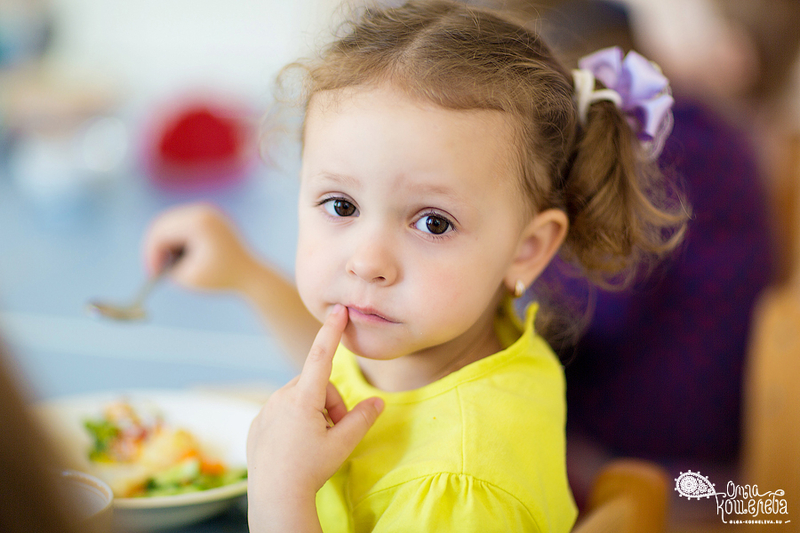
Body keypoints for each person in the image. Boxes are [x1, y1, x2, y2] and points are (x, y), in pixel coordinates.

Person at [143, 1, 687, 531]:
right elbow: (339, 369)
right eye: (342, 206)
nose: (367, 262)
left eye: (433, 223)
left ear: (527, 248)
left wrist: (279, 497)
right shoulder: (442, 338)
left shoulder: (461, 491)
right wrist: (246, 274)